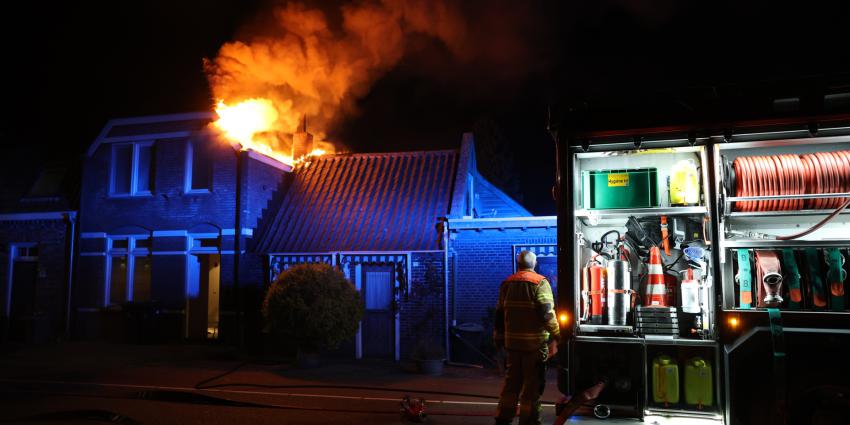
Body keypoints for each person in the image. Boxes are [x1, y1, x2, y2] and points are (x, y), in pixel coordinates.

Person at [494, 250, 561, 425]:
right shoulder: (540, 283)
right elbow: (547, 315)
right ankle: (529, 421)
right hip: (534, 347)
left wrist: (498, 340)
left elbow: (499, 315)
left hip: (513, 346)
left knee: (511, 386)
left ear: (518, 264)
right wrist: (559, 335)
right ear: (535, 263)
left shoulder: (506, 284)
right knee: (531, 389)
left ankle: (503, 418)